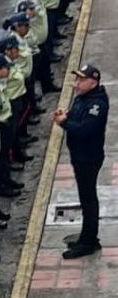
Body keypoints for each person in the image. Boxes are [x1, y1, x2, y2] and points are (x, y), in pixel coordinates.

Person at [54, 63, 109, 258]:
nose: (77, 83)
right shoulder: (82, 97)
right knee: (86, 198)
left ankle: (88, 242)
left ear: (93, 83)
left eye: (82, 79)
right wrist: (65, 117)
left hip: (88, 158)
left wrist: (65, 123)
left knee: (88, 200)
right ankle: (87, 236)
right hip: (79, 155)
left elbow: (85, 130)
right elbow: (75, 117)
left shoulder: (96, 105)